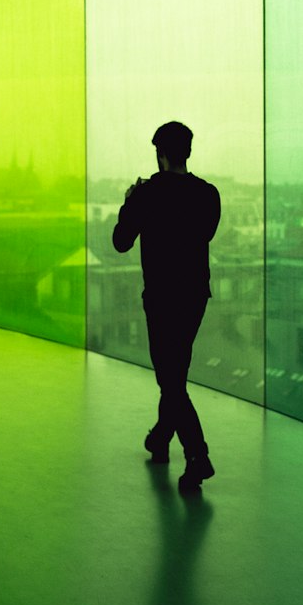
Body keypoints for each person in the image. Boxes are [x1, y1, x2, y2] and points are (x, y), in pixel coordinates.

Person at [112, 121, 221, 493]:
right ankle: (160, 438)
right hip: (194, 297)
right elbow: (204, 233)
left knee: (170, 379)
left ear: (159, 154)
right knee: (174, 374)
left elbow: (121, 242)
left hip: (160, 297)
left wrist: (130, 202)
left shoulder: (147, 194)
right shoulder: (209, 195)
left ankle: (198, 455)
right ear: (188, 152)